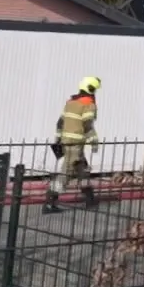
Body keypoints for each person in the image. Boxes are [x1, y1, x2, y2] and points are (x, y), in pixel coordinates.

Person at [46, 76, 102, 214]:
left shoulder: (71, 102)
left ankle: (90, 200)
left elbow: (60, 122)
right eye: (94, 89)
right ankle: (50, 201)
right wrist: (94, 141)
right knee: (65, 173)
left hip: (67, 142)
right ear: (91, 89)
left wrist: (58, 139)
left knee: (82, 170)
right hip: (76, 144)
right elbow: (87, 124)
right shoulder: (88, 104)